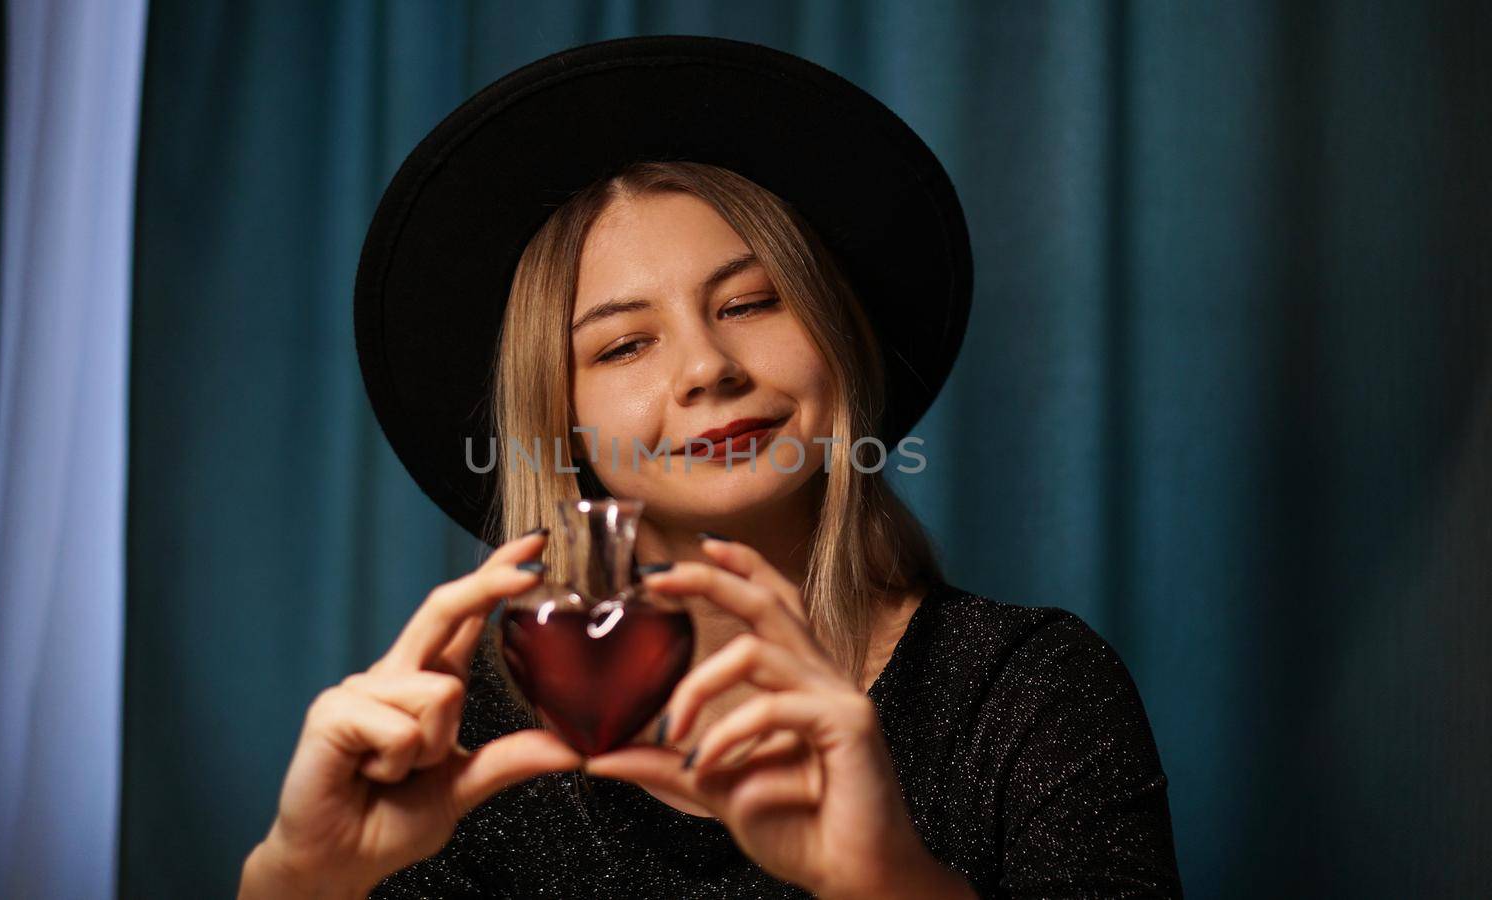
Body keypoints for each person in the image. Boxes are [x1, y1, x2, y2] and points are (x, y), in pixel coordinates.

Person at [239, 36, 1181, 899]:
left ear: (836, 341)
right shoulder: (458, 753)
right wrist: (297, 880)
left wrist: (887, 879)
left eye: (750, 303)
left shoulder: (1028, 689)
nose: (706, 368)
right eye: (622, 347)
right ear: (558, 421)